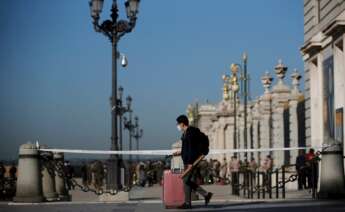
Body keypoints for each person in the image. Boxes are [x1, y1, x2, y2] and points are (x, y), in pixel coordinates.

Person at [173, 115, 213, 209]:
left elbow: (191, 149)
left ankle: (188, 203)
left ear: (182, 124)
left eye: (178, 124)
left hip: (192, 161)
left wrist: (191, 163)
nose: (177, 126)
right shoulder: (186, 133)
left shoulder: (190, 133)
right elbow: (187, 148)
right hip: (188, 160)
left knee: (185, 180)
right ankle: (206, 195)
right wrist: (180, 152)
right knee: (186, 180)